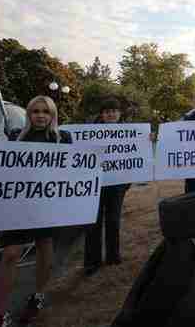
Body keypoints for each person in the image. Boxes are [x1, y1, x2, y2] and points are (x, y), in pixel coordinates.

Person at [0, 96, 73, 327]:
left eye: (46, 111)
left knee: (45, 249)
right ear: (29, 114)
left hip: (47, 205)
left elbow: (76, 168)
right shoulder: (16, 136)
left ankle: (38, 295)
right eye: (35, 111)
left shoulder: (62, 138)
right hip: (17, 206)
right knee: (10, 255)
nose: (40, 115)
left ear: (53, 115)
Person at [83, 98, 131, 277]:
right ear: (102, 114)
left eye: (114, 111)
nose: (111, 114)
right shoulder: (89, 132)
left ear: (119, 114)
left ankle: (113, 255)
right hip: (95, 182)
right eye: (107, 111)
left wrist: (147, 139)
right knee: (93, 222)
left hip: (118, 183)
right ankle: (92, 261)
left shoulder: (129, 132)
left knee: (113, 219)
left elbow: (137, 154)